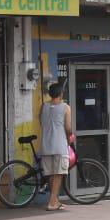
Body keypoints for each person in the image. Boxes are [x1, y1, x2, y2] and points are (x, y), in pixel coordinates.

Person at [40, 81, 75, 211]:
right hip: (59, 145)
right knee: (59, 173)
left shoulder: (43, 106)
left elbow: (41, 122)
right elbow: (68, 127)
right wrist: (70, 136)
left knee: (51, 174)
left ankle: (55, 200)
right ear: (61, 94)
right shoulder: (65, 107)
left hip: (45, 145)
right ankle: (51, 202)